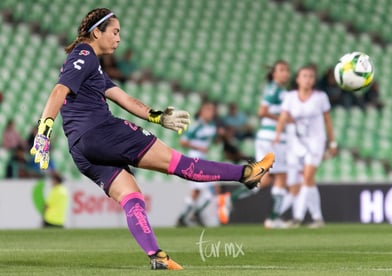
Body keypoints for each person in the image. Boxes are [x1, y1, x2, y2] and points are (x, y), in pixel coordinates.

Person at [30, 8, 274, 270]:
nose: (119, 38)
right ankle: (246, 173)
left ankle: (156, 255)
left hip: (80, 150)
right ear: (96, 32)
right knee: (181, 164)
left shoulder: (93, 68)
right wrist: (43, 134)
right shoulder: (85, 54)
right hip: (103, 132)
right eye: (115, 32)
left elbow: (124, 99)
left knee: (132, 197)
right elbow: (58, 90)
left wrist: (156, 116)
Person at [218, 60, 298, 228]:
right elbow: (262, 112)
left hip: (268, 138)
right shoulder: (274, 89)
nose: (285, 73)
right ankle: (272, 219)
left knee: (266, 179)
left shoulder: (278, 89)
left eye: (287, 70)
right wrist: (284, 120)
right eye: (281, 70)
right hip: (272, 138)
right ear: (274, 73)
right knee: (281, 176)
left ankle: (230, 198)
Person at [275, 65, 337, 228]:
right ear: (298, 79)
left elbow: (327, 121)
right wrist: (277, 135)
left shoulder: (320, 97)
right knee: (308, 182)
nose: (307, 79)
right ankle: (318, 218)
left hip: (316, 142)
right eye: (304, 76)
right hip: (296, 143)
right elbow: (282, 117)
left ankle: (298, 217)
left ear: (314, 80)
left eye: (310, 76)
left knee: (307, 177)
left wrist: (332, 142)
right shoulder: (290, 97)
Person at [177, 101, 219, 227]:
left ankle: (188, 216)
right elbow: (183, 142)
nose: (211, 113)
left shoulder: (212, 125)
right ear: (202, 112)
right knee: (198, 189)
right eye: (208, 110)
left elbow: (213, 141)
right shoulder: (196, 125)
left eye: (212, 111)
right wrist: (198, 147)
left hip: (203, 158)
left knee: (203, 190)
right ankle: (187, 216)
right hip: (194, 158)